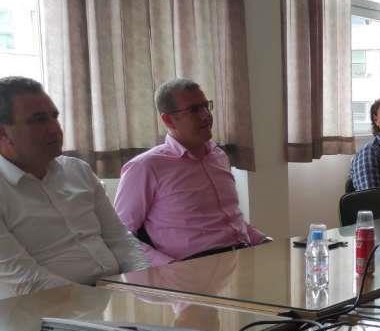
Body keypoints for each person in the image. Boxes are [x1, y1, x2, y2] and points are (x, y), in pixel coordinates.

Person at [0, 76, 148, 299]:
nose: (55, 129)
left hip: (115, 295)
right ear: (3, 133)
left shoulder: (77, 170)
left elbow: (120, 240)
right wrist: (104, 304)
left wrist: (145, 285)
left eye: (54, 117)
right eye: (38, 120)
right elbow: (26, 279)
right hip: (45, 308)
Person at [114, 78, 267, 266]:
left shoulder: (218, 156)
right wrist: (169, 266)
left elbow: (229, 221)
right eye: (194, 110)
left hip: (241, 258)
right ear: (168, 119)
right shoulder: (146, 167)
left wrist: (264, 242)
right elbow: (120, 236)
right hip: (193, 267)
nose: (206, 116)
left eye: (206, 106)